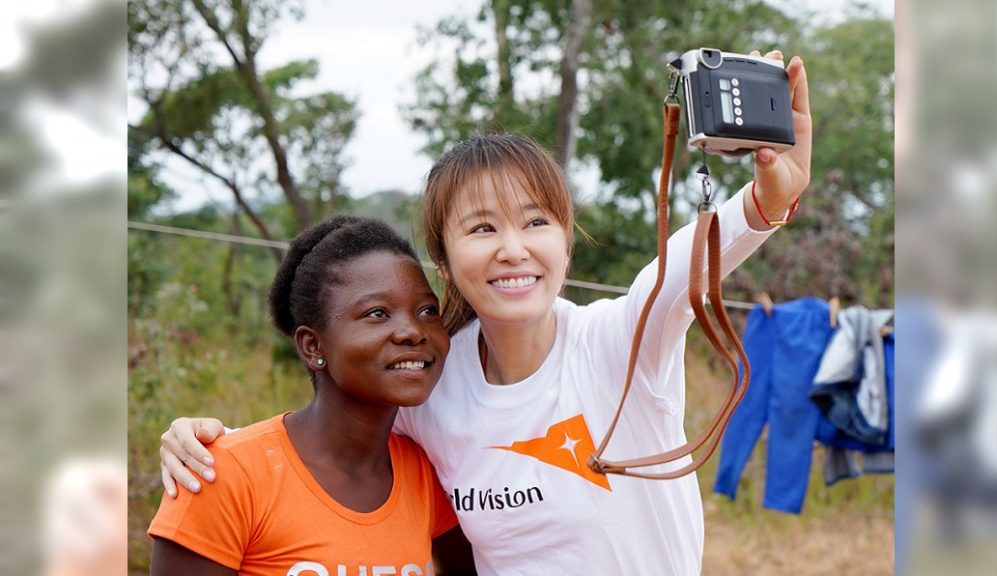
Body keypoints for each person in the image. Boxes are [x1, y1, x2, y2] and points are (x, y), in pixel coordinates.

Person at [159, 50, 811, 574]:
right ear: (444, 262)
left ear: (565, 242)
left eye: (536, 222)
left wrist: (763, 204)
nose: (513, 249)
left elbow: (676, 271)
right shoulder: (431, 389)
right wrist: (207, 440)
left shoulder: (617, 341)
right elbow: (329, 434)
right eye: (481, 229)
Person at [148, 216, 457, 576]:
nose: (413, 331)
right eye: (377, 313)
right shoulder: (221, 474)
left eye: (427, 311)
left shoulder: (425, 473)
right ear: (312, 346)